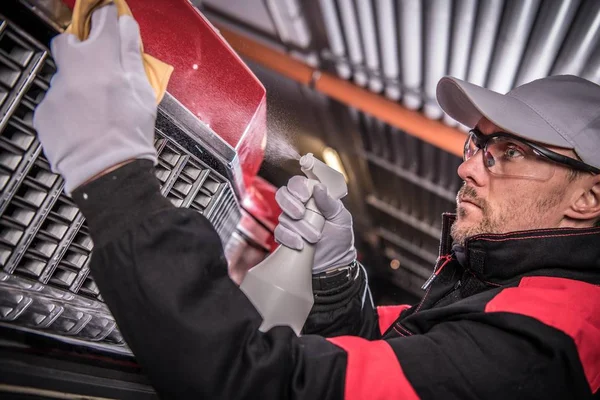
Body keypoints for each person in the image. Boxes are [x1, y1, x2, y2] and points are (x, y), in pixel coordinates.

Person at [33, 5, 600, 399]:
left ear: (588, 198)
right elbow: (380, 355)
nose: (466, 165)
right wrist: (336, 274)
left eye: (508, 150)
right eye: (478, 142)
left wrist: (114, 177)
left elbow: (268, 387)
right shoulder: (492, 293)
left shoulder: (549, 341)